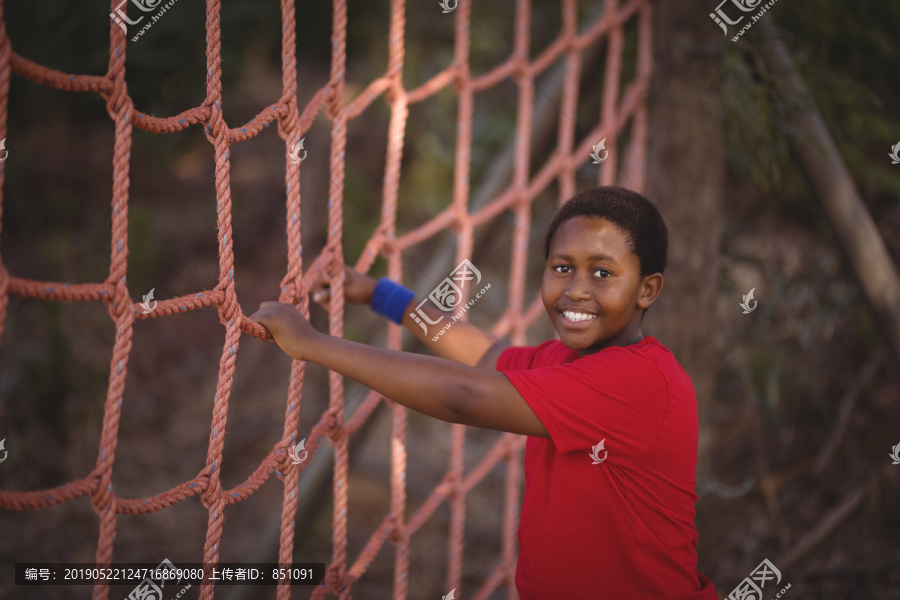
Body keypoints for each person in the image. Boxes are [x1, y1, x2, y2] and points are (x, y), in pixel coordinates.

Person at [249, 186, 719, 599]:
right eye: (562, 268)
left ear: (647, 289)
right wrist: (379, 293)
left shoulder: (642, 382)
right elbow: (483, 353)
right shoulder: (565, 361)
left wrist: (313, 344)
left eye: (602, 273)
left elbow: (463, 395)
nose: (575, 290)